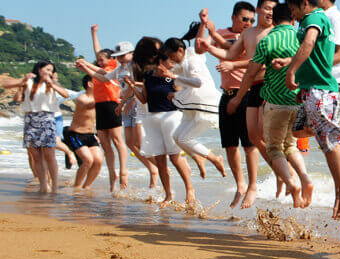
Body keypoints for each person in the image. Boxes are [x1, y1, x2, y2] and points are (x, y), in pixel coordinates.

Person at [229, 3, 314, 208]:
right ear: (292, 20)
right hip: (298, 101)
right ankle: (305, 178)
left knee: (275, 148)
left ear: (273, 21)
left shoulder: (267, 40)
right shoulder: (301, 38)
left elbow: (251, 73)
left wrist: (238, 98)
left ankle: (292, 184)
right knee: (290, 145)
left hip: (276, 103)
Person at [281, 0, 340, 219]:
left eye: (293, 9)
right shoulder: (312, 19)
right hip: (311, 89)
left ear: (304, 4)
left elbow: (309, 43)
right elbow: (314, 54)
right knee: (300, 131)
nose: (292, 15)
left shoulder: (315, 18)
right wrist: (300, 80)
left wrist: (292, 71)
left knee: (329, 142)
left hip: (321, 90)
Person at [76, 39, 159, 189]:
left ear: (132, 53)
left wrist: (128, 101)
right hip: (126, 105)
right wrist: (86, 69)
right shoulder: (120, 69)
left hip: (139, 104)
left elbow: (139, 85)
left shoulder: (136, 66)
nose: (120, 58)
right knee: (130, 143)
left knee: (139, 143)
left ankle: (160, 167)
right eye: (118, 56)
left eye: (123, 55)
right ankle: (154, 168)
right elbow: (104, 77)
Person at [198, 2, 258, 208]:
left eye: (252, 20)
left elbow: (237, 53)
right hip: (226, 94)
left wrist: (213, 35)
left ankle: (252, 185)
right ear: (234, 17)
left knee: (249, 145)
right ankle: (240, 185)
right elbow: (199, 48)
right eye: (245, 19)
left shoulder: (250, 37)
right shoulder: (223, 33)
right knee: (230, 145)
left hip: (246, 94)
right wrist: (204, 25)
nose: (248, 23)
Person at [127, 39, 197, 207]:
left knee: (174, 157)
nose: (164, 65)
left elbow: (182, 94)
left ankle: (190, 190)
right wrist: (132, 86)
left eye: (167, 61)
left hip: (171, 116)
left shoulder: (172, 76)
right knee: (160, 160)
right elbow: (144, 99)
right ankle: (168, 195)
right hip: (152, 118)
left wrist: (173, 81)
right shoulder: (148, 76)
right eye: (161, 61)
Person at [163, 27, 227, 179]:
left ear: (180, 50)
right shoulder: (185, 61)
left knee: (183, 138)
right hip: (193, 103)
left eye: (171, 56)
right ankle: (199, 157)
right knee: (176, 136)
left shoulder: (192, 61)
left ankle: (214, 158)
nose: (171, 59)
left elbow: (197, 82)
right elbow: (179, 74)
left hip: (204, 103)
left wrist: (173, 77)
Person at [88, 24, 131, 192]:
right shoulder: (99, 70)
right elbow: (98, 53)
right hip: (99, 107)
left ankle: (123, 170)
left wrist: (87, 65)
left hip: (112, 104)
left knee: (117, 140)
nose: (99, 62)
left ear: (111, 59)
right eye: (98, 61)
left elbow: (100, 52)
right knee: (105, 144)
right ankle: (112, 173)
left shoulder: (113, 66)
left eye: (102, 60)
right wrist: (93, 33)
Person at [20, 61, 70, 193]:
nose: (49, 72)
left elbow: (65, 94)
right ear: (39, 69)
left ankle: (54, 186)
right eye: (47, 69)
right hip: (30, 119)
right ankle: (43, 185)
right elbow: (20, 97)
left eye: (51, 70)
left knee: (49, 154)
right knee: (36, 155)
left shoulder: (52, 83)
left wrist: (51, 83)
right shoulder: (29, 82)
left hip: (47, 119)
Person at [62, 75, 104, 190]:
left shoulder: (98, 98)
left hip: (90, 135)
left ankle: (86, 187)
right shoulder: (82, 98)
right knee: (88, 160)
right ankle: (77, 187)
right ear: (90, 84)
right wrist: (107, 98)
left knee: (99, 161)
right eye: (97, 82)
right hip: (77, 135)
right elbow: (90, 105)